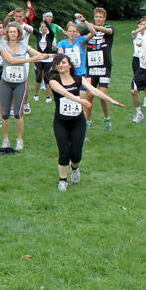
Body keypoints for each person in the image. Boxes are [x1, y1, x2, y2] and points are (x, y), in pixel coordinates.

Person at [47, 53, 124, 191]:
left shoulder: (78, 79)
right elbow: (64, 93)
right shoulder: (53, 80)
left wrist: (110, 100)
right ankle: (63, 180)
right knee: (64, 152)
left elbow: (94, 90)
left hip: (78, 121)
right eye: (58, 63)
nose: (61, 65)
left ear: (70, 65)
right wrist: (80, 100)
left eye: (64, 62)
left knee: (76, 154)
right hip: (61, 122)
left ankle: (74, 168)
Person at [0, 23, 51, 150]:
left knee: (17, 113)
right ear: (7, 33)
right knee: (5, 113)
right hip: (6, 82)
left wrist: (51, 55)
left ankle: (19, 140)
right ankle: (5, 140)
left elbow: (38, 54)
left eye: (14, 32)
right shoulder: (2, 45)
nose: (12, 34)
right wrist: (31, 60)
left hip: (21, 83)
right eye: (10, 32)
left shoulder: (24, 46)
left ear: (18, 33)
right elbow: (11, 60)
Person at [79, 8, 114, 130]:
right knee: (89, 95)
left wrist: (89, 24)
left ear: (104, 18)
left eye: (101, 17)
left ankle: (107, 119)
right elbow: (76, 36)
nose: (98, 19)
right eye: (96, 17)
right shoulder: (88, 28)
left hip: (104, 67)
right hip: (91, 68)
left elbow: (108, 31)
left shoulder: (109, 27)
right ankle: (88, 121)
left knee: (102, 94)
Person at [33, 17, 58, 102]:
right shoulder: (38, 34)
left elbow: (51, 30)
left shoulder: (50, 35)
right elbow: (31, 28)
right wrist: (28, 17)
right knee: (38, 77)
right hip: (39, 58)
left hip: (48, 59)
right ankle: (36, 95)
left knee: (47, 79)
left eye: (45, 27)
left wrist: (46, 22)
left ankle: (48, 97)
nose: (43, 28)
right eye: (42, 27)